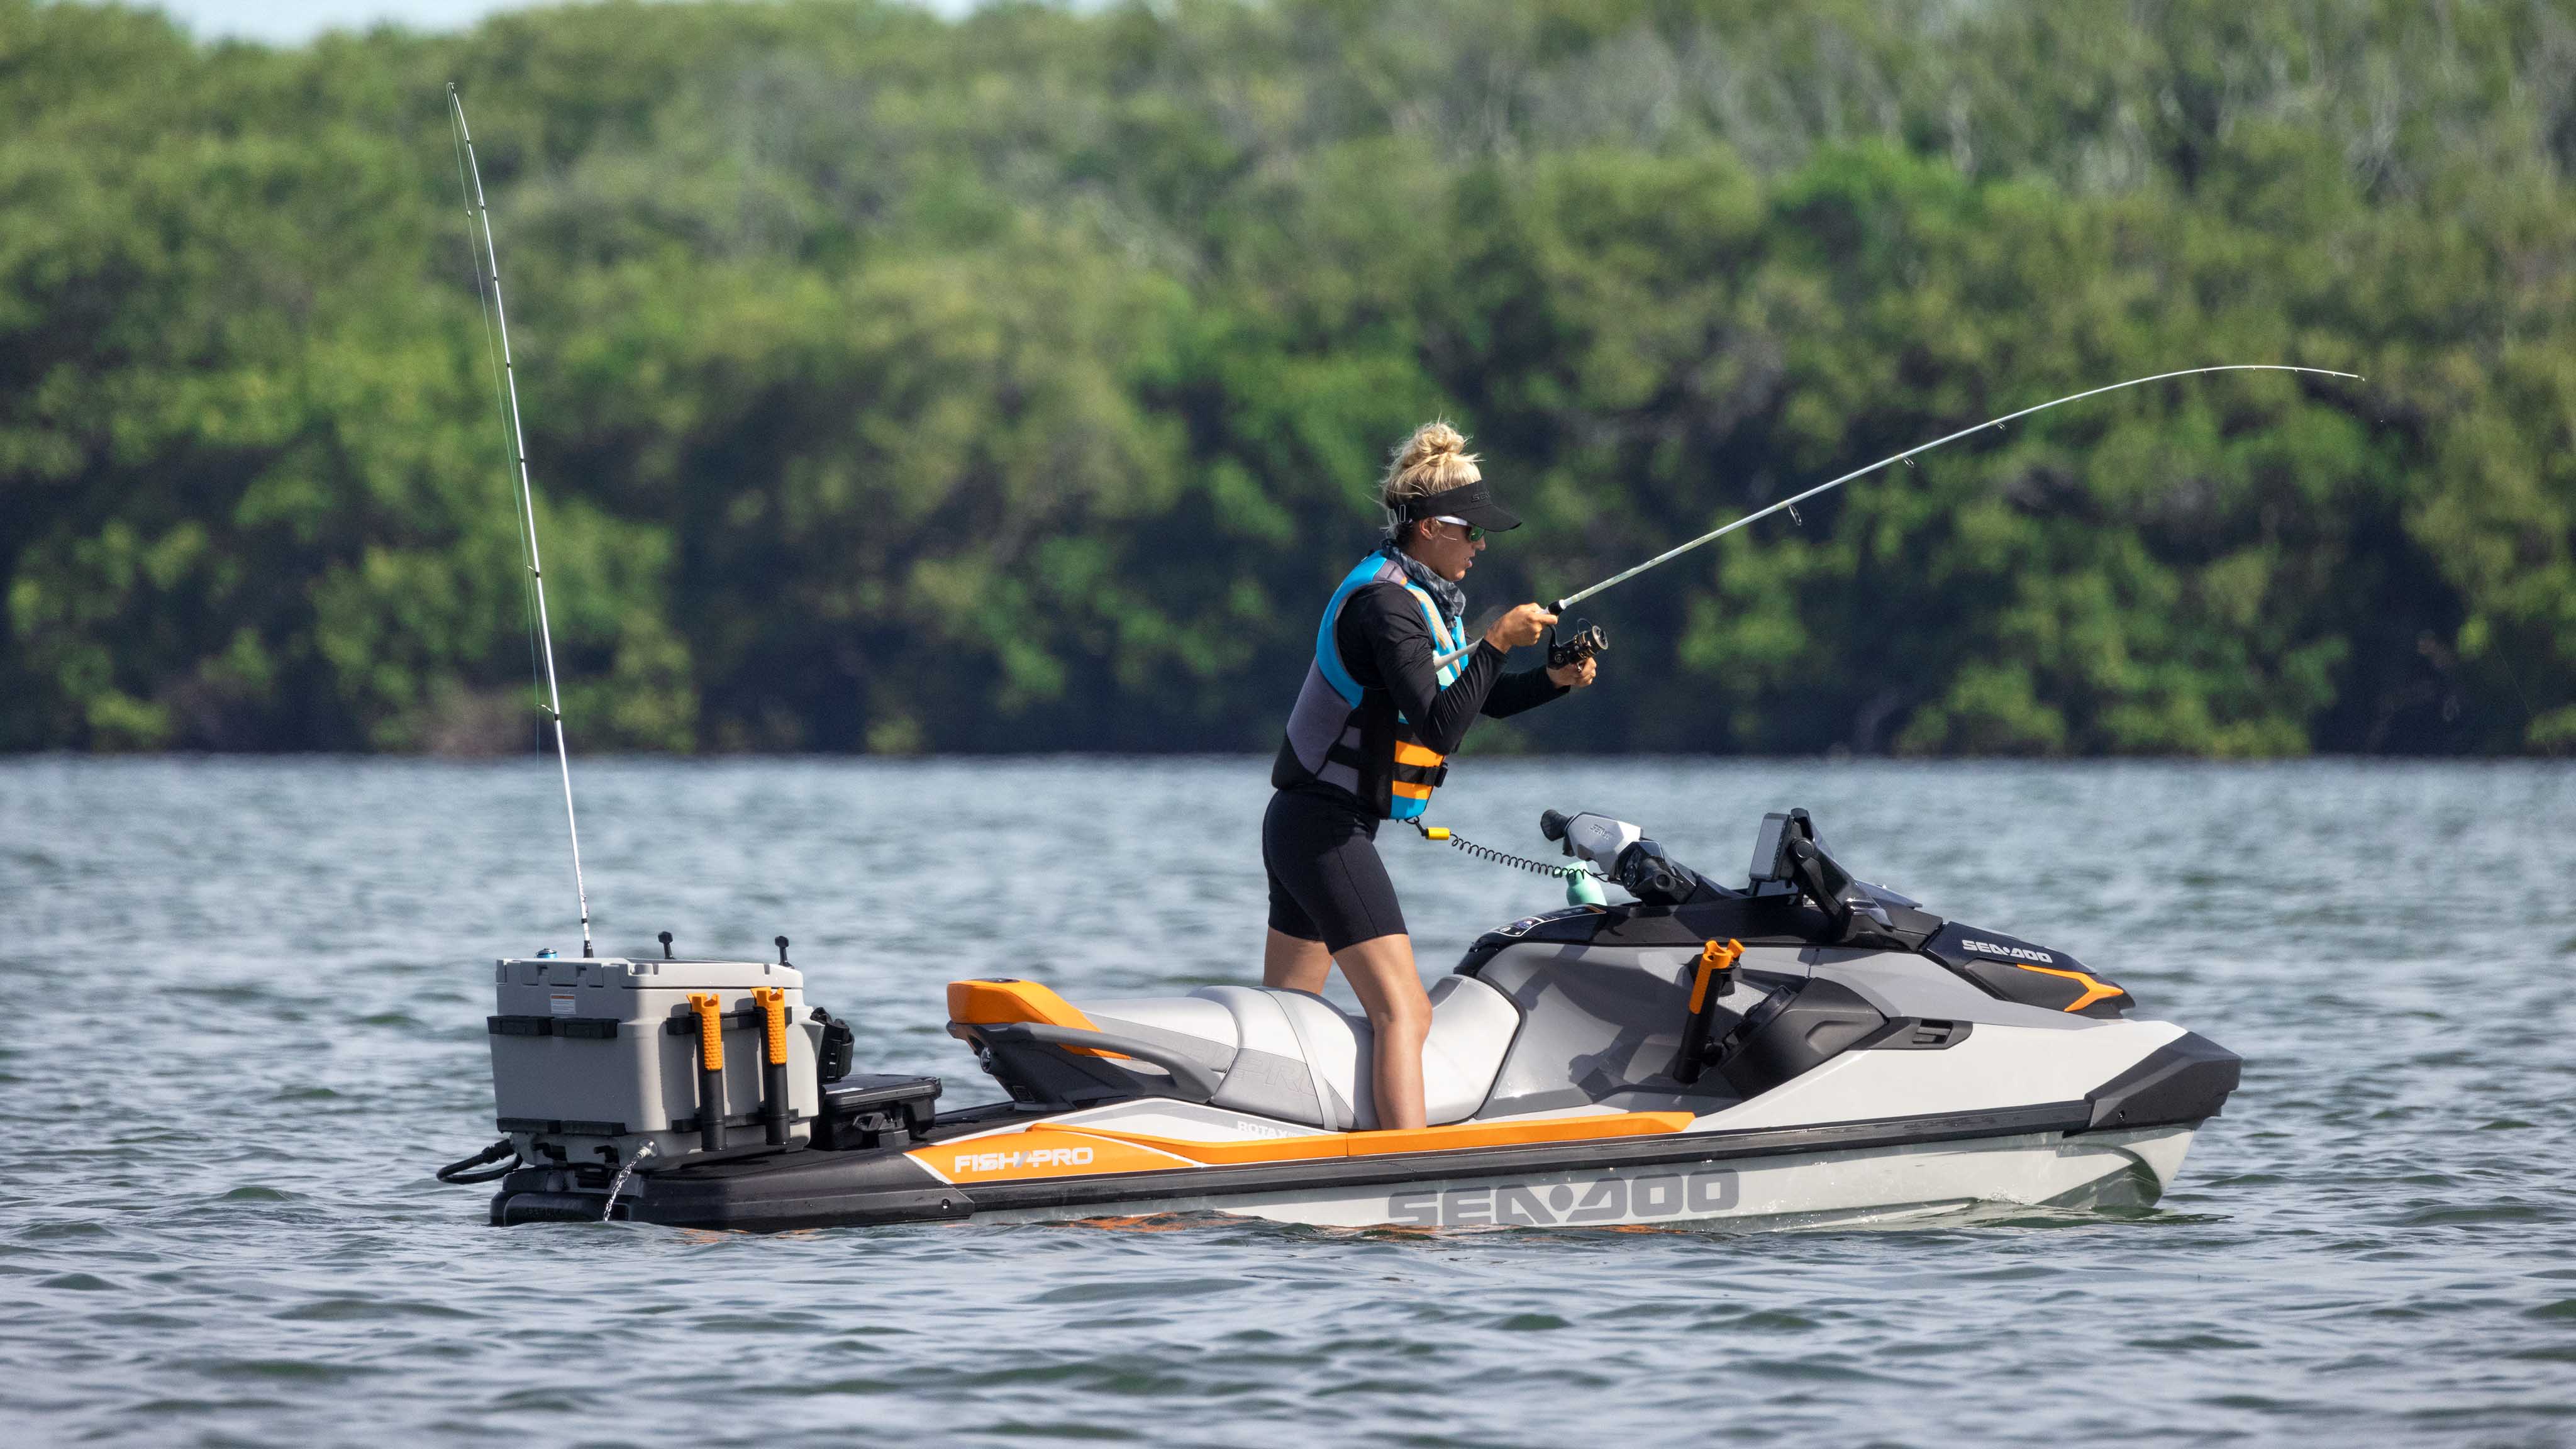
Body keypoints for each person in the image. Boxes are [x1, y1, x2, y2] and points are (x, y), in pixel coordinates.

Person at [1262, 421, 1598, 1130]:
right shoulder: (1386, 606)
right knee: (1406, 1011)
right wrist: (1499, 640)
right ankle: (1411, 1179)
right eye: (1471, 533)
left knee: (1289, 1025)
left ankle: (1277, 1148)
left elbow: (1478, 700)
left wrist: (1556, 679)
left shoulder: (1417, 599)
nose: (1480, 546)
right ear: (1432, 529)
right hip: (1323, 831)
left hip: (1312, 827)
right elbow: (1442, 725)